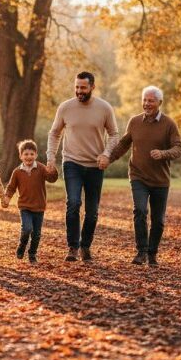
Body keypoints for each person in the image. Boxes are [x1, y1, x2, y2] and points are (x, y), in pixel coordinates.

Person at [46, 71, 119, 262]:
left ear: (92, 87)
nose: (79, 91)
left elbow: (114, 134)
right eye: (77, 87)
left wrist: (106, 154)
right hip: (72, 163)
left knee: (92, 211)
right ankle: (73, 247)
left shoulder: (104, 108)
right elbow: (54, 133)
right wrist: (51, 158)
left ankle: (85, 246)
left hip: (95, 165)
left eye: (83, 88)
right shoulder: (65, 107)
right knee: (73, 203)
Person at [108, 85, 181, 266]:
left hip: (160, 179)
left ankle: (152, 253)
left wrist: (163, 153)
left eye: (151, 101)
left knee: (158, 220)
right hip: (138, 176)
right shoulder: (134, 122)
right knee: (140, 210)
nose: (147, 104)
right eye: (144, 100)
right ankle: (141, 251)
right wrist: (108, 159)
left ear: (160, 102)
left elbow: (179, 148)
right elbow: (123, 144)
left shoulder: (169, 124)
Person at [4, 140, 58, 264]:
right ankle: (22, 245)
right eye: (26, 154)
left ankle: (32, 253)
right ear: (21, 156)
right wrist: (7, 197)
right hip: (25, 206)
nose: (29, 157)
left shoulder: (41, 168)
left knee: (36, 234)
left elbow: (51, 179)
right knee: (27, 229)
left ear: (36, 155)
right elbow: (11, 187)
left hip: (39, 206)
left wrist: (52, 171)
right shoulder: (17, 171)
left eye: (32, 154)